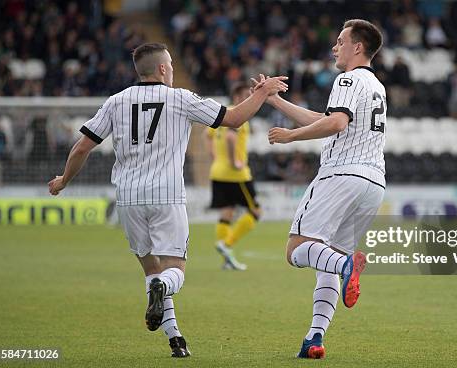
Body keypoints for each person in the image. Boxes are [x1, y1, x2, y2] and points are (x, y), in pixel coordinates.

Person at [48, 42, 287, 358]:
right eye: (171, 64)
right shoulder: (181, 99)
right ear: (162, 68)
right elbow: (234, 118)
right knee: (173, 272)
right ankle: (165, 292)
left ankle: (176, 340)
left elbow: (80, 149)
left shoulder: (116, 102)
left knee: (151, 272)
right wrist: (263, 92)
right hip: (166, 195)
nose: (173, 68)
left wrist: (64, 180)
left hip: (128, 198)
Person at [259, 19, 386, 359]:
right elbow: (327, 117)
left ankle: (347, 266)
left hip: (341, 175)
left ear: (357, 47)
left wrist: (289, 137)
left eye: (341, 41)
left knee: (296, 250)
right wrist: (278, 104)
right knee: (326, 260)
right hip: (372, 183)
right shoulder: (374, 85)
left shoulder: (347, 78)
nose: (335, 47)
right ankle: (314, 338)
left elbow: (335, 123)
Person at [205, 82, 261, 270]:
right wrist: (234, 161)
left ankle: (227, 261)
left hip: (218, 172)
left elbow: (208, 135)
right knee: (255, 212)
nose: (248, 98)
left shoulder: (222, 113)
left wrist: (214, 156)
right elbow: (230, 137)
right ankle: (226, 244)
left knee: (226, 214)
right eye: (246, 95)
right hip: (237, 174)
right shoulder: (238, 115)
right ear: (237, 96)